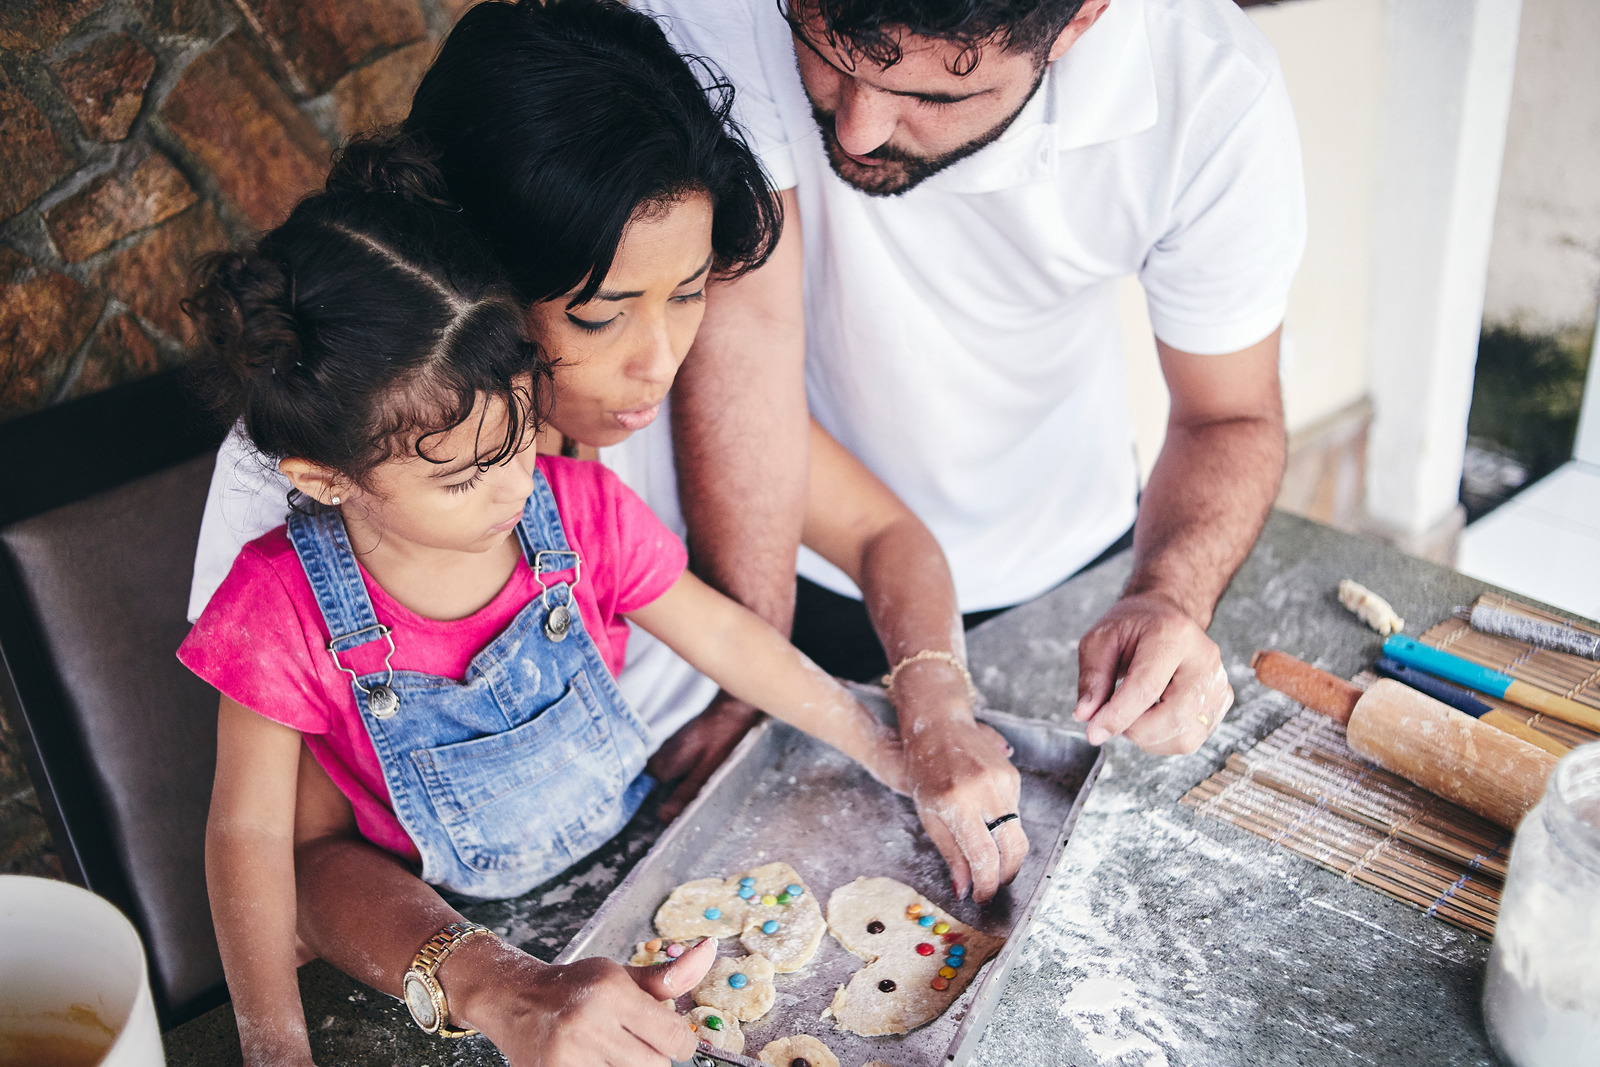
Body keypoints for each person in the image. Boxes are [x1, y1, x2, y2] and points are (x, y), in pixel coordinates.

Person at [182, 49, 1021, 1067]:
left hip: (659, 847)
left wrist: (904, 725)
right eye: (597, 312)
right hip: (452, 929)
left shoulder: (571, 500)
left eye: (690, 292)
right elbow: (279, 850)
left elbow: (737, 623)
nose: (658, 361)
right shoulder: (285, 563)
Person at [632, 0, 1307, 764]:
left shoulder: (1213, 89)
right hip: (789, 550)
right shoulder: (717, 8)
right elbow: (745, 340)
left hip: (1074, 565)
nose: (857, 129)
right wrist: (750, 673)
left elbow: (1228, 415)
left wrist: (1168, 595)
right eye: (823, 53)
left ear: (1080, 22)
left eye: (933, 96)